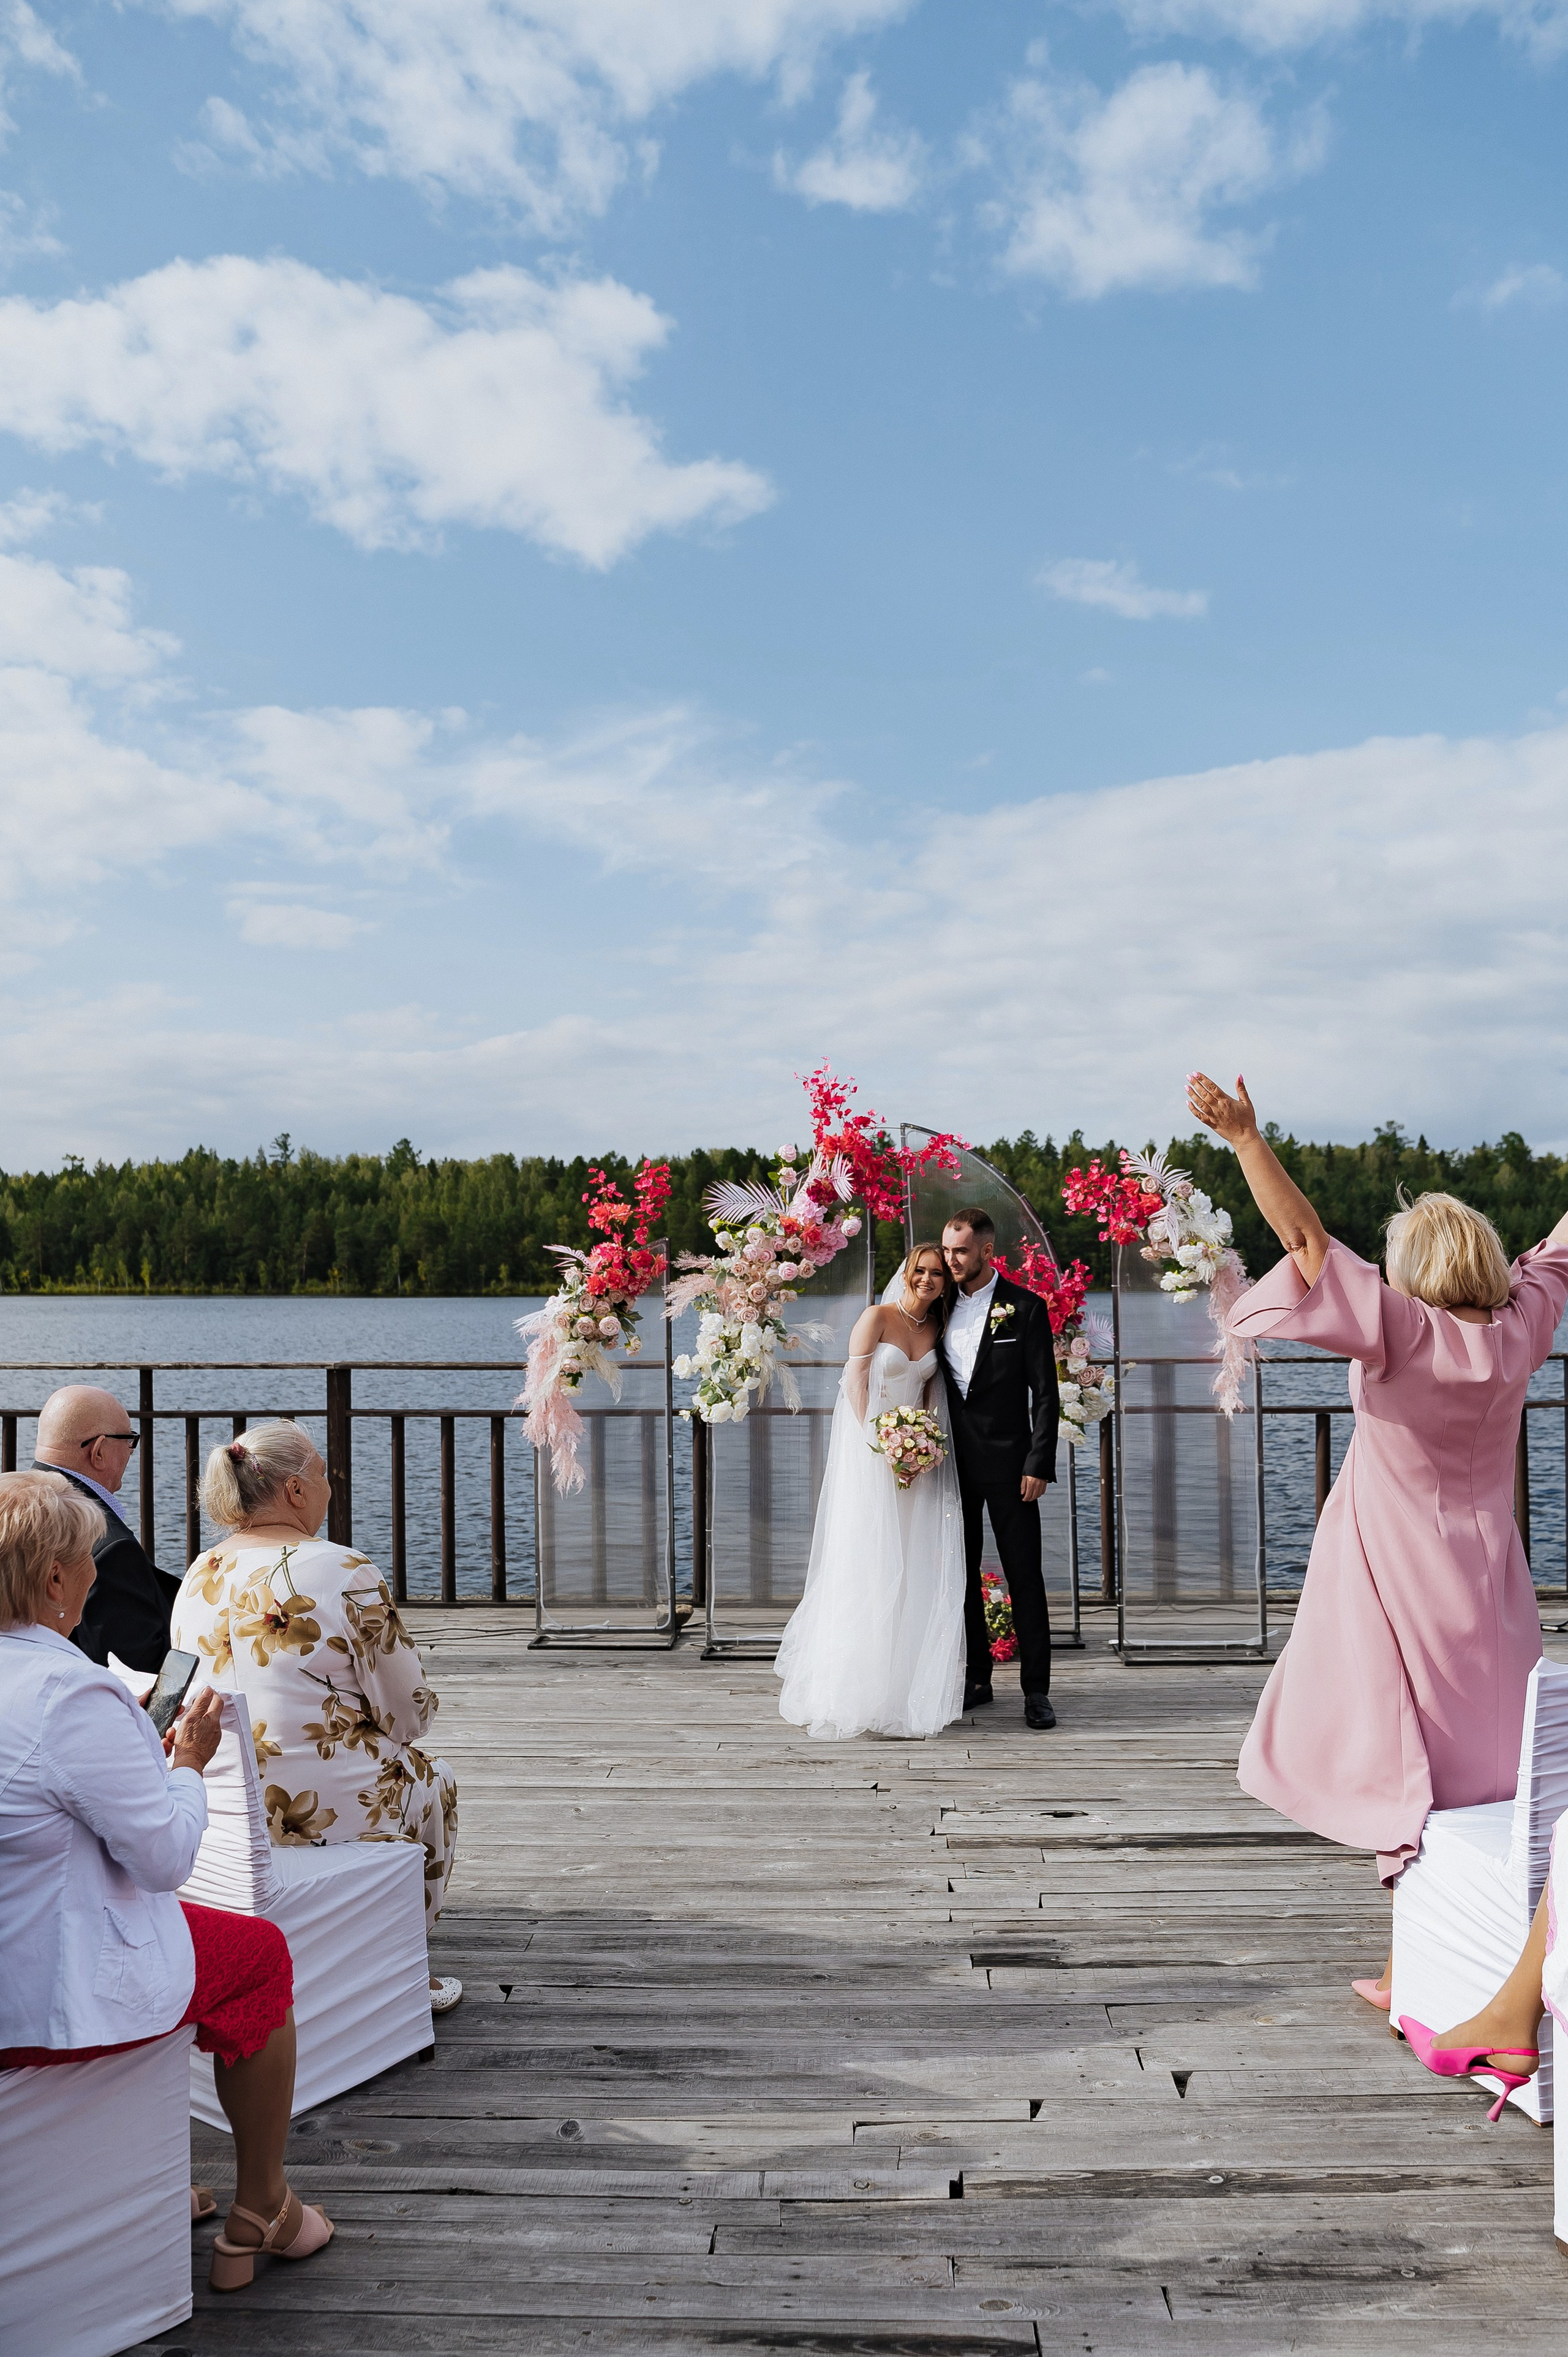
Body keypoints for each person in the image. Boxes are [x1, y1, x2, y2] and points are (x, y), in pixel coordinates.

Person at [1188, 1069, 1568, 2003]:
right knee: (1485, 1787)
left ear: (1416, 1271)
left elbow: (1304, 1240)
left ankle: (1436, 1982)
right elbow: (1561, 1245)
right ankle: (1424, 1970)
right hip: (1494, 1595)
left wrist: (1244, 1139)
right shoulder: (1524, 1328)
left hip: (1405, 1592)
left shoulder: (1402, 1332)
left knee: (1419, 1785)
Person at [0, 1468, 334, 2292]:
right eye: (87, 1559)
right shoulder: (67, 1693)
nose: (94, 1573)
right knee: (257, 1954)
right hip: (41, 1991)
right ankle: (263, 2204)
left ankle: (134, 2180)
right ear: (52, 1582)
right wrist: (187, 1764)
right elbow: (164, 1858)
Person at [172, 1422, 462, 2008]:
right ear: (296, 1491)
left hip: (227, 1809)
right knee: (434, 1780)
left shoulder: (200, 1572)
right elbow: (410, 1712)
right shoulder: (342, 1570)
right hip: (325, 1812)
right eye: (324, 1475)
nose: (331, 1489)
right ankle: (399, 1967)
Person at [775, 1243, 967, 1741]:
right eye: (919, 1271)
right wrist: (878, 1441)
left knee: (913, 1559)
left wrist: (921, 1444)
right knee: (868, 1560)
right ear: (906, 1274)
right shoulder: (876, 1317)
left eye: (937, 1274)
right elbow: (854, 1383)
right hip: (871, 1451)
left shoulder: (935, 1329)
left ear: (946, 1282)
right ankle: (853, 1688)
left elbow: (929, 1393)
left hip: (915, 1457)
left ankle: (903, 1689)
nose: (927, 1279)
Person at [938, 1209, 1061, 1730]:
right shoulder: (937, 1307)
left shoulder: (1026, 1308)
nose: (950, 1260)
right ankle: (978, 1680)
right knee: (960, 1577)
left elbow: (1046, 1394)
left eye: (960, 1251)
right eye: (946, 1250)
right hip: (952, 1466)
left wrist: (1039, 1462)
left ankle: (1037, 1691)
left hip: (1015, 1469)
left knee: (1024, 1578)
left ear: (988, 1251)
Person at [32, 1382, 178, 1672]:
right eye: (129, 1441)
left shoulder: (11, 1510)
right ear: (98, 1451)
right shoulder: (108, 1546)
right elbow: (136, 1671)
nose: (131, 1452)